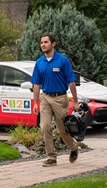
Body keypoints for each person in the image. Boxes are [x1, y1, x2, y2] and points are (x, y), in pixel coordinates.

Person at [31, 33, 79, 167]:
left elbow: (71, 82)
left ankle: (73, 147)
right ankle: (51, 157)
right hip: (45, 98)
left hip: (60, 98)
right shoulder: (39, 62)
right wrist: (35, 102)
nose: (43, 45)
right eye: (41, 42)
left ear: (53, 44)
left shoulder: (62, 60)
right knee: (45, 127)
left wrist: (75, 101)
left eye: (46, 42)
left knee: (62, 129)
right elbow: (36, 84)